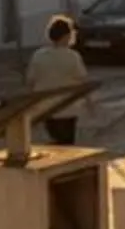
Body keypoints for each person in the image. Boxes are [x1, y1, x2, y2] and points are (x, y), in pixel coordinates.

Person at [26, 13, 90, 145]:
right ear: (67, 36)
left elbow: (31, 81)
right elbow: (82, 80)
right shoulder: (72, 56)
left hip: (47, 108)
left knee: (55, 140)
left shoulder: (38, 55)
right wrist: (89, 102)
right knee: (67, 143)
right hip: (68, 107)